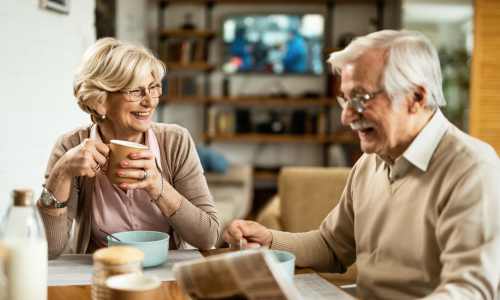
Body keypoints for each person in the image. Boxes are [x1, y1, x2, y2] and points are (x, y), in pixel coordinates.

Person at [224, 30, 500, 299]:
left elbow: (470, 290)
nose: (346, 116)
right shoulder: (370, 164)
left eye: (361, 97)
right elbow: (332, 247)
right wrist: (269, 240)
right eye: (345, 98)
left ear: (416, 98)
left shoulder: (473, 168)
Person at [38, 38, 221, 259]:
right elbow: (48, 250)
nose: (150, 102)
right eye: (135, 91)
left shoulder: (175, 141)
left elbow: (208, 237)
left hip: (163, 274)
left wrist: (158, 186)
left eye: (153, 88)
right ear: (100, 100)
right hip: (101, 272)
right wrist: (62, 172)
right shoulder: (70, 146)